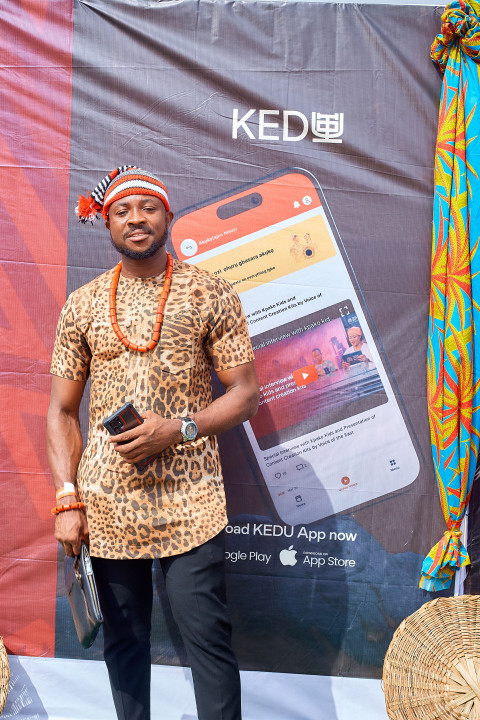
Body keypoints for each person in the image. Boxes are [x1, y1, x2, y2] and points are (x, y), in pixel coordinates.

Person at [46, 166, 259, 720]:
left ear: (168, 215)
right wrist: (68, 498)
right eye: (123, 210)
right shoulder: (83, 304)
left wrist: (179, 429)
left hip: (191, 499)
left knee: (208, 643)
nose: (136, 219)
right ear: (107, 223)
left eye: (148, 208)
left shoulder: (211, 293)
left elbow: (245, 395)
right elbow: (62, 411)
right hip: (107, 505)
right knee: (124, 644)